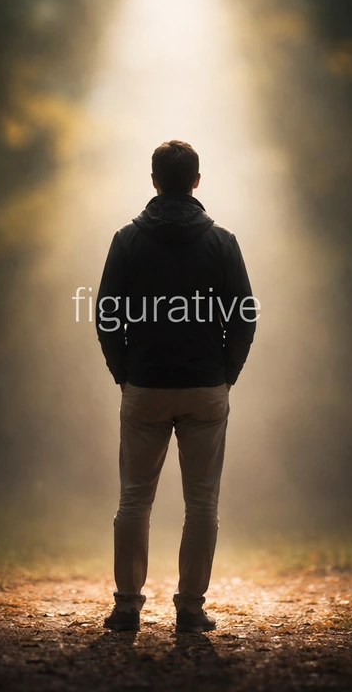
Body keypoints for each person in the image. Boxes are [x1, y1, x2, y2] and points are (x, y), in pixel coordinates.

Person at [95, 140, 257, 633]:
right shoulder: (223, 243)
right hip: (206, 387)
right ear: (197, 182)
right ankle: (190, 608)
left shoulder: (127, 240)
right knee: (202, 502)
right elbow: (245, 317)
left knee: (133, 500)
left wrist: (123, 369)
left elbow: (106, 314)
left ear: (153, 181)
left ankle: (127, 606)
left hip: (144, 385)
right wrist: (226, 371)